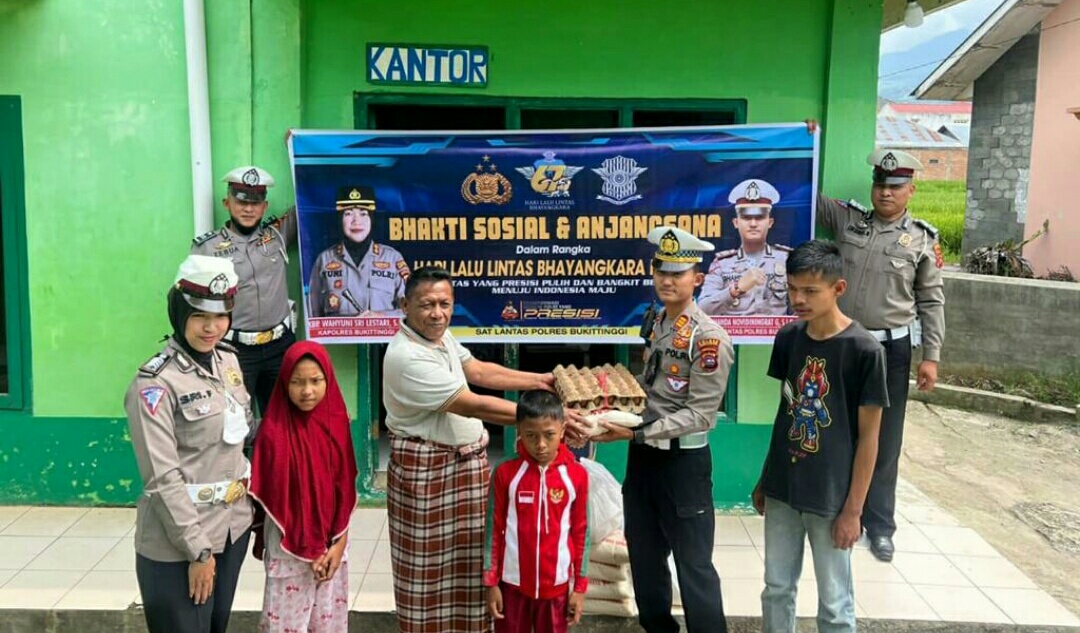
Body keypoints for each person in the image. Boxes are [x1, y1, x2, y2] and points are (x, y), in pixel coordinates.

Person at [381, 265, 564, 633]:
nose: (437, 313)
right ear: (405, 306)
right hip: (428, 476)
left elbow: (479, 371)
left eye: (445, 304)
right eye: (427, 305)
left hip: (462, 471)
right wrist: (545, 421)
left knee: (470, 563)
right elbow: (472, 404)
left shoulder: (440, 338)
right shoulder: (406, 355)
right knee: (428, 573)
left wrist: (540, 381)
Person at [590, 226, 734, 633]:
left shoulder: (708, 338)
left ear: (698, 278)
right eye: (661, 271)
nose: (667, 281)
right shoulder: (657, 321)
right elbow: (650, 386)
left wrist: (635, 433)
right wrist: (610, 403)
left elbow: (700, 415)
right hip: (644, 460)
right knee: (645, 558)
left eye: (678, 273)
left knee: (694, 567)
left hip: (683, 464)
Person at [814, 140, 945, 562]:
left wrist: (931, 357)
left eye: (895, 186)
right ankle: (833, 510)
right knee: (833, 427)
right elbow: (806, 189)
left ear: (911, 191)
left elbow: (931, 301)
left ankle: (880, 526)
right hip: (842, 344)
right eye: (880, 184)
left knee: (884, 440)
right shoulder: (849, 220)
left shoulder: (921, 240)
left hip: (890, 350)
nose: (885, 193)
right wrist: (808, 138)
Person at [751, 240, 888, 632]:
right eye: (793, 288)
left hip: (831, 496)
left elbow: (870, 439)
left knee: (835, 602)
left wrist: (854, 511)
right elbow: (785, 414)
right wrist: (766, 479)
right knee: (776, 588)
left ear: (838, 288)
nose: (798, 299)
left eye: (810, 291)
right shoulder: (788, 338)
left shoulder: (864, 350)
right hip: (783, 489)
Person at [124, 254, 254, 633]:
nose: (212, 327)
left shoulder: (227, 362)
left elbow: (238, 439)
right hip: (178, 543)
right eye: (199, 316)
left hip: (231, 528)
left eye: (221, 316)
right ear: (179, 312)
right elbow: (162, 478)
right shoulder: (155, 384)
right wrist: (198, 550)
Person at [249, 340, 358, 633]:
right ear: (284, 382)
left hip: (332, 549)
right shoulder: (273, 433)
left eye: (316, 381)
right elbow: (275, 497)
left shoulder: (337, 422)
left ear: (328, 380)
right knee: (287, 626)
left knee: (328, 623)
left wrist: (339, 544)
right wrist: (310, 550)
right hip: (289, 550)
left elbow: (344, 490)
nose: (307, 390)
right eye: (296, 382)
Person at [191, 165, 297, 420]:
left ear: (265, 206)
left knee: (282, 422)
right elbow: (192, 304)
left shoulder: (277, 235)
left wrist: (298, 151)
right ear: (226, 203)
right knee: (236, 423)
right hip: (233, 351)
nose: (248, 209)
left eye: (255, 203)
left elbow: (306, 201)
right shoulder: (207, 248)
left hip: (279, 347)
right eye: (241, 202)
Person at [484, 390, 590, 633]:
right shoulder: (505, 472)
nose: (540, 444)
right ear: (519, 431)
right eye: (531, 435)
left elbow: (582, 532)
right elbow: (493, 530)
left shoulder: (576, 475)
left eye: (549, 435)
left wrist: (580, 588)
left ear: (562, 430)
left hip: (557, 588)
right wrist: (491, 582)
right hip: (512, 585)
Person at [307, 186, 410, 318]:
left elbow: (410, 310)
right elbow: (312, 316)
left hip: (384, 332)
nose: (356, 221)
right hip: (338, 333)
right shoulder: (324, 260)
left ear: (372, 219)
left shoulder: (392, 258)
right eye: (348, 214)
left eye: (363, 213)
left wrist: (382, 316)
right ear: (340, 219)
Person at [700, 178, 791, 316]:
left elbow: (801, 308)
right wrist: (735, 289)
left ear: (770, 222)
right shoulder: (722, 264)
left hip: (779, 330)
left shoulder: (786, 260)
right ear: (736, 222)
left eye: (760, 217)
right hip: (731, 331)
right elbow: (702, 308)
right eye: (746, 218)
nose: (753, 224)